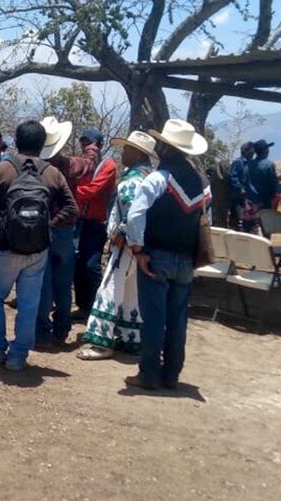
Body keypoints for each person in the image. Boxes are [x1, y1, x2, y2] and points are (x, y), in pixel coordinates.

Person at [0, 120, 78, 371]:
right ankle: (18, 357)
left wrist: (0, 220)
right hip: (38, 249)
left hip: (5, 246)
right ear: (42, 145)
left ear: (17, 142)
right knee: (29, 303)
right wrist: (49, 224)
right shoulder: (53, 173)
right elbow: (73, 209)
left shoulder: (2, 169)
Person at [124, 119, 210, 391]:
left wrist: (137, 248)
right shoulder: (203, 185)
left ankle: (149, 374)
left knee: (154, 319)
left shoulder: (158, 179)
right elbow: (207, 222)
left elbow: (135, 215)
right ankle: (171, 374)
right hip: (185, 259)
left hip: (155, 256)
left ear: (164, 146)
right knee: (177, 320)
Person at [79, 131, 156, 360]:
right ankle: (130, 338)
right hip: (138, 245)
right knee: (131, 291)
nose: (123, 152)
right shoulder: (148, 176)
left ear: (138, 153)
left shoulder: (133, 179)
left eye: (127, 149)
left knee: (110, 288)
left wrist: (123, 232)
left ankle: (101, 343)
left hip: (127, 245)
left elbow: (133, 211)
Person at [59, 128, 118, 319]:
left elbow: (92, 190)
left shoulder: (108, 166)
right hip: (80, 220)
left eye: (90, 144)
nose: (87, 148)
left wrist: (69, 191)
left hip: (96, 223)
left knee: (91, 265)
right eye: (84, 143)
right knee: (77, 262)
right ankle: (83, 306)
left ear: (99, 146)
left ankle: (96, 304)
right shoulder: (83, 164)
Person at [34, 117, 78, 348]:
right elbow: (88, 165)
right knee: (63, 282)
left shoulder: (38, 169)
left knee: (43, 282)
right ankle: (61, 328)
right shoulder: (72, 166)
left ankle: (42, 331)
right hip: (66, 229)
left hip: (42, 228)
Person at [228, 141, 255, 230]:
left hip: (247, 197)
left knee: (247, 220)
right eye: (251, 151)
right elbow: (233, 177)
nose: (253, 153)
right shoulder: (238, 162)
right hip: (238, 197)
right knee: (238, 218)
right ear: (245, 151)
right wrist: (240, 188)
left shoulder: (251, 164)